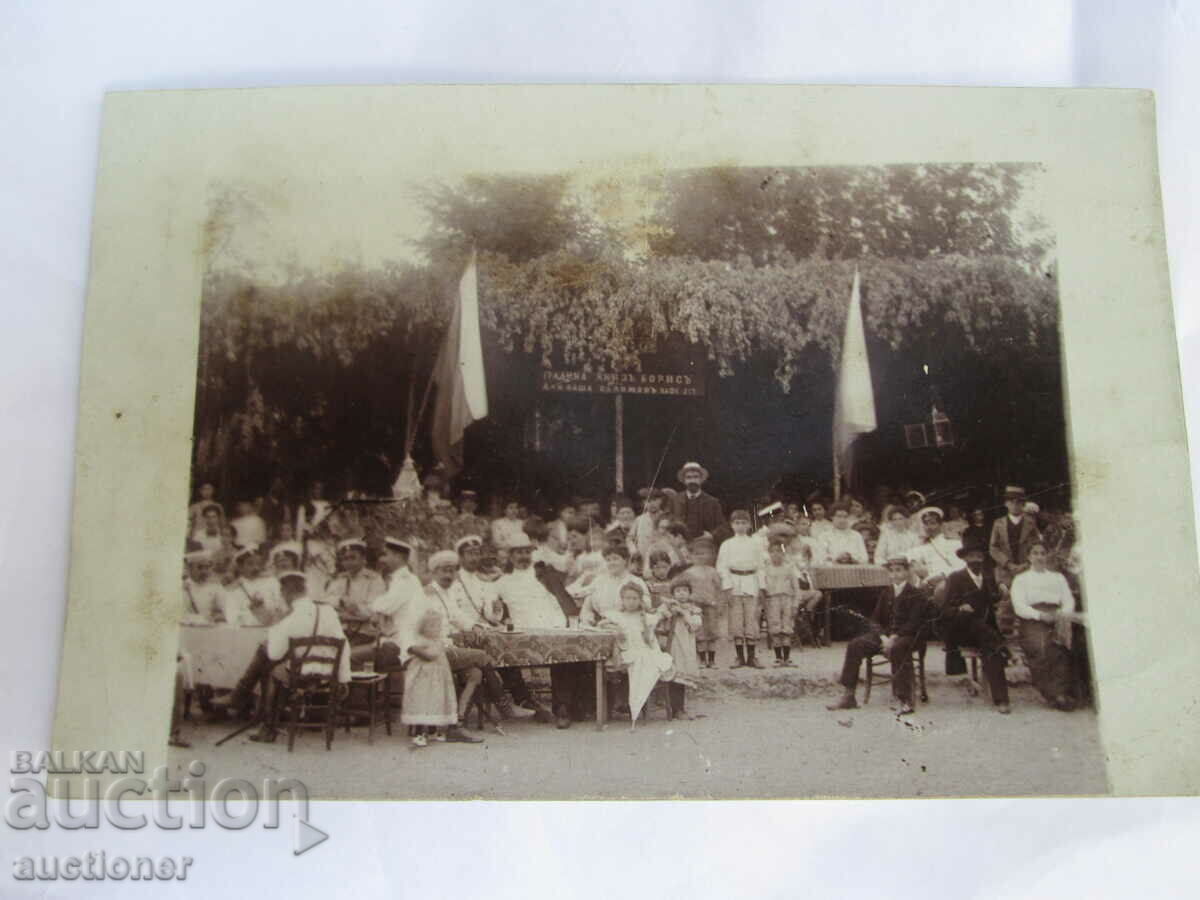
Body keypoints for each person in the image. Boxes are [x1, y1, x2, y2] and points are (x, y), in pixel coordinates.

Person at [237, 571, 352, 742]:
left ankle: (266, 725)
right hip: (329, 675)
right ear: (305, 590)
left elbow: (275, 654)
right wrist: (343, 679)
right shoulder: (328, 611)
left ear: (285, 592)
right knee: (271, 661)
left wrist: (272, 636)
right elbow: (344, 646)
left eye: (282, 592)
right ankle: (243, 698)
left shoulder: (291, 618)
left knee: (270, 667)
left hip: (299, 676)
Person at [826, 556, 927, 714]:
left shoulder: (917, 594)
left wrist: (894, 638)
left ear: (907, 572)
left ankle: (905, 700)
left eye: (899, 570)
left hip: (909, 636)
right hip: (885, 636)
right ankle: (849, 695)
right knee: (855, 645)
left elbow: (914, 623)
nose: (895, 575)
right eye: (892, 571)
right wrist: (883, 637)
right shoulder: (886, 592)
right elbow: (874, 620)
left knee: (899, 648)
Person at [422, 550, 503, 740]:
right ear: (433, 572)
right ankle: (504, 704)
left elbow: (458, 616)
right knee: (482, 656)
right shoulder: (427, 595)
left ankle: (456, 724)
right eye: (444, 571)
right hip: (432, 651)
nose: (448, 575)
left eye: (452, 571)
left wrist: (475, 626)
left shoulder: (445, 593)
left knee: (476, 673)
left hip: (445, 649)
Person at [940, 536, 1012, 714]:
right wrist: (960, 608)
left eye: (979, 557)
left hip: (985, 632)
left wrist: (1002, 589)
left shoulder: (988, 578)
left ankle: (1001, 700)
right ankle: (1003, 647)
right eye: (972, 557)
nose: (976, 561)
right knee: (987, 634)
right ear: (964, 559)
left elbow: (992, 598)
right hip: (963, 630)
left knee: (991, 648)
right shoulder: (955, 578)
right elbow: (945, 610)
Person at [1011, 541, 1078, 710]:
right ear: (1029, 557)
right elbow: (1019, 606)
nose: (1039, 557)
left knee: (1062, 649)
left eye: (1042, 553)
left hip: (1058, 616)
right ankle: (1052, 693)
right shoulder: (1021, 579)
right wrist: (1039, 615)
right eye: (1035, 553)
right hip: (1033, 619)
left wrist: (1062, 614)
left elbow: (1068, 599)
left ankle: (1062, 693)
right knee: (1040, 648)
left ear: (1047, 555)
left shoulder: (1057, 577)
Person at [601, 582, 676, 727]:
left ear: (640, 600)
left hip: (643, 650)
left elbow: (661, 616)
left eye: (635, 598)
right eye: (627, 598)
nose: (631, 602)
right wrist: (614, 627)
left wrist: (664, 611)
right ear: (622, 600)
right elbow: (601, 624)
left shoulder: (646, 617)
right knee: (613, 664)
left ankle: (633, 704)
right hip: (625, 652)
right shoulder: (617, 616)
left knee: (641, 662)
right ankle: (618, 704)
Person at [401, 609, 460, 748]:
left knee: (436, 701)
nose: (436, 629)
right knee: (423, 702)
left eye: (438, 626)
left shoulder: (438, 640)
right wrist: (437, 649)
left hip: (438, 678)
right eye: (432, 626)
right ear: (423, 627)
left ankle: (433, 730)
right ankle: (419, 733)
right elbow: (428, 656)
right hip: (423, 678)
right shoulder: (420, 641)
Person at [717, 509, 765, 668]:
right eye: (737, 523)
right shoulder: (727, 544)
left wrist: (762, 586)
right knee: (736, 621)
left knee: (751, 619)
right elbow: (722, 567)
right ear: (732, 525)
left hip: (751, 582)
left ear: (750, 525)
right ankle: (739, 657)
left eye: (744, 522)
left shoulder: (755, 543)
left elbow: (761, 566)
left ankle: (752, 657)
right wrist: (727, 587)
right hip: (734, 582)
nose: (740, 526)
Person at [675, 536, 723, 668]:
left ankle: (712, 659)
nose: (700, 557)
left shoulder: (713, 572)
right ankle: (702, 659)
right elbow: (682, 588)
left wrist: (718, 604)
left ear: (709, 555)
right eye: (696, 554)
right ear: (691, 556)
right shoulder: (688, 573)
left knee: (712, 631)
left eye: (703, 553)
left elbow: (719, 589)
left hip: (711, 605)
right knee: (699, 632)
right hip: (695, 606)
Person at [658, 579, 702, 718]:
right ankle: (674, 709)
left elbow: (696, 624)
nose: (681, 594)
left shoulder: (693, 609)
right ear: (673, 594)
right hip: (672, 645)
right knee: (673, 675)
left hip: (686, 646)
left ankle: (680, 708)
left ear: (689, 593)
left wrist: (683, 613)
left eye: (685, 591)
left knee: (681, 676)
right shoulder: (668, 606)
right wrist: (668, 612)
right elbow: (658, 617)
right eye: (678, 591)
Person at [575, 544, 649, 625]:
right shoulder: (599, 581)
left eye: (615, 559)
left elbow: (645, 609)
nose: (611, 563)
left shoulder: (636, 581)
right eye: (608, 560)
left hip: (628, 626)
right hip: (601, 626)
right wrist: (587, 619)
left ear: (625, 560)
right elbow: (587, 607)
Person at [906, 507, 964, 606]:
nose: (929, 527)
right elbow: (909, 556)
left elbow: (961, 566)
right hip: (928, 582)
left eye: (933, 523)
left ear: (941, 525)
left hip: (948, 580)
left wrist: (942, 576)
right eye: (926, 524)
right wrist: (914, 563)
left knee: (941, 589)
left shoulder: (953, 543)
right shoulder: (923, 545)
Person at [324, 538, 386, 629]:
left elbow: (374, 609)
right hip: (340, 630)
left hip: (365, 632)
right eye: (345, 559)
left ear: (363, 559)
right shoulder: (339, 579)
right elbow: (326, 602)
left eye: (353, 558)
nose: (348, 562)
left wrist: (355, 608)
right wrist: (341, 601)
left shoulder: (374, 580)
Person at [989, 485, 1042, 588]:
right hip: (1005, 572)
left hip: (1027, 570)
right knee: (1008, 599)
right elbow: (993, 548)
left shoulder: (1030, 523)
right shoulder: (998, 523)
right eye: (1011, 501)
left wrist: (1027, 563)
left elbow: (1037, 546)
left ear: (1023, 504)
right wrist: (1008, 564)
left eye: (1018, 502)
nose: (1015, 505)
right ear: (1005, 504)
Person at [224, 545, 288, 626]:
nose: (256, 568)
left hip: (272, 628)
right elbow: (232, 617)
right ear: (240, 567)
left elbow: (281, 607)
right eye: (250, 564)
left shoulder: (272, 582)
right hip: (245, 632)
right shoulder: (233, 589)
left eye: (258, 564)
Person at [761, 540, 800, 666]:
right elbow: (762, 587)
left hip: (787, 599)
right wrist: (764, 604)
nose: (776, 554)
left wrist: (795, 604)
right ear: (769, 553)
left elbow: (796, 588)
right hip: (772, 600)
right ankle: (778, 657)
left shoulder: (789, 568)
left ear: (784, 554)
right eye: (773, 552)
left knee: (787, 627)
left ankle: (787, 657)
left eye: (780, 551)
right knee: (775, 627)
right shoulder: (766, 569)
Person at [667, 461, 725, 541]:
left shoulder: (713, 502)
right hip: (679, 543)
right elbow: (667, 522)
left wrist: (712, 535)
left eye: (695, 477)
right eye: (689, 477)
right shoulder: (674, 500)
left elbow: (722, 526)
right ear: (684, 480)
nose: (692, 480)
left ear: (701, 479)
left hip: (704, 543)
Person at [182, 550, 224, 622]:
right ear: (190, 569)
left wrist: (218, 617)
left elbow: (220, 611)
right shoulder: (182, 587)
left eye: (207, 567)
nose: (204, 571)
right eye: (200, 567)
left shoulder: (215, 588)